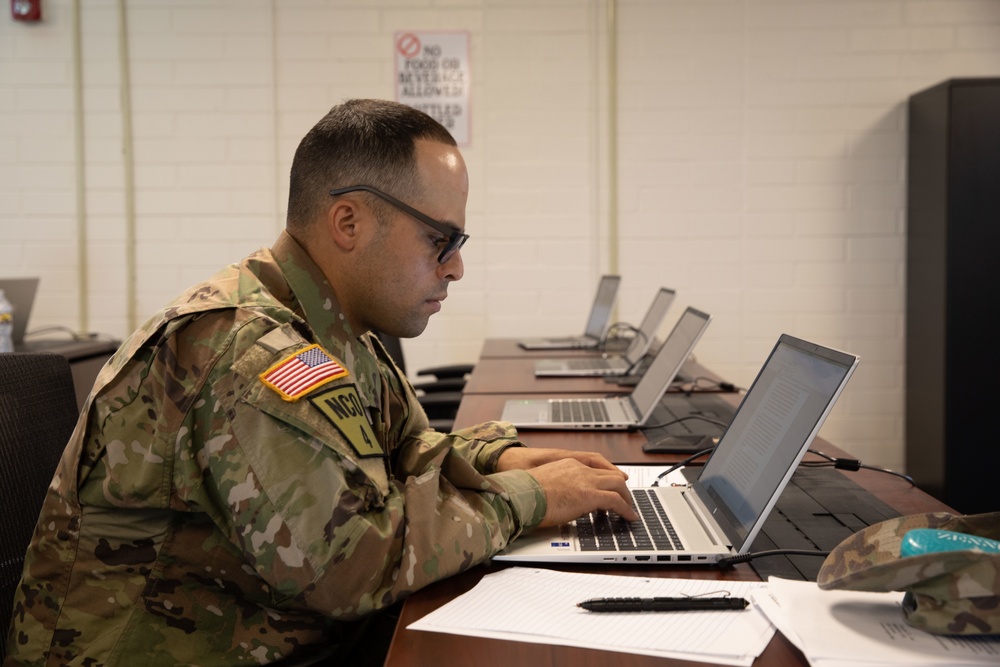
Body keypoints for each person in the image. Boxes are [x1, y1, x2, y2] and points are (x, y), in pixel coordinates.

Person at [5, 99, 637, 666]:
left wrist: (504, 455)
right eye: (439, 240)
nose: (457, 267)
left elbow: (402, 451)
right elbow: (353, 564)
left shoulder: (329, 327)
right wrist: (529, 497)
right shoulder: (244, 352)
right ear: (349, 223)